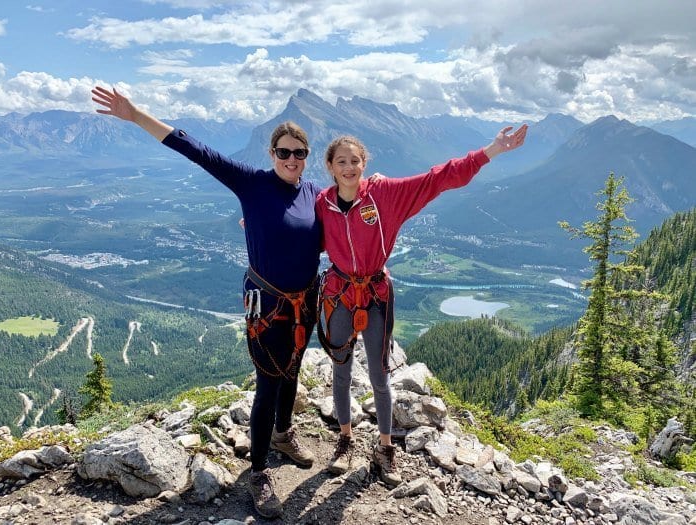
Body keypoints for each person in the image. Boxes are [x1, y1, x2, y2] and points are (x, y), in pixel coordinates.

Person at [91, 85, 321, 519]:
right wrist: (136, 114)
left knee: (292, 370)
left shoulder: (312, 194)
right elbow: (197, 150)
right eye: (285, 152)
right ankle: (258, 473)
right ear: (271, 153)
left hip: (303, 303)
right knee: (269, 381)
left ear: (307, 156)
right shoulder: (252, 184)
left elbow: (335, 231)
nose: (293, 159)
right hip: (268, 304)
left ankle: (284, 434)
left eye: (300, 152)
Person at [316, 125, 528, 485]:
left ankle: (384, 447)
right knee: (341, 370)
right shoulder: (323, 203)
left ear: (364, 163)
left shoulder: (384, 194)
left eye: (355, 160)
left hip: (375, 294)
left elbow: (437, 178)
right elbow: (299, 230)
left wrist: (491, 150)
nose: (349, 167)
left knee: (379, 375)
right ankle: (345, 438)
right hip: (339, 293)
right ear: (331, 167)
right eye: (341, 162)